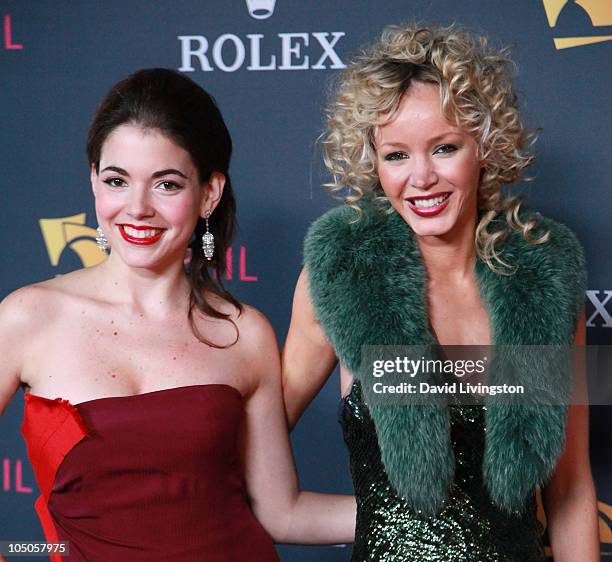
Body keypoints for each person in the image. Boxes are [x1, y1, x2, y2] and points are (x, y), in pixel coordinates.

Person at [0, 68, 355, 561]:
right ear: (94, 184)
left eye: (166, 184)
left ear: (208, 193)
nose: (137, 207)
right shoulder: (26, 318)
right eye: (117, 180)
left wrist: (442, 516)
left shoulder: (241, 333)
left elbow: (283, 513)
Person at [282, 25, 600, 561]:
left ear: (484, 146)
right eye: (396, 156)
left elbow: (570, 491)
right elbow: (243, 449)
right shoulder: (340, 279)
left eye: (445, 147)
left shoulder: (546, 284)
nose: (421, 178)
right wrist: (380, 520)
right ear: (373, 163)